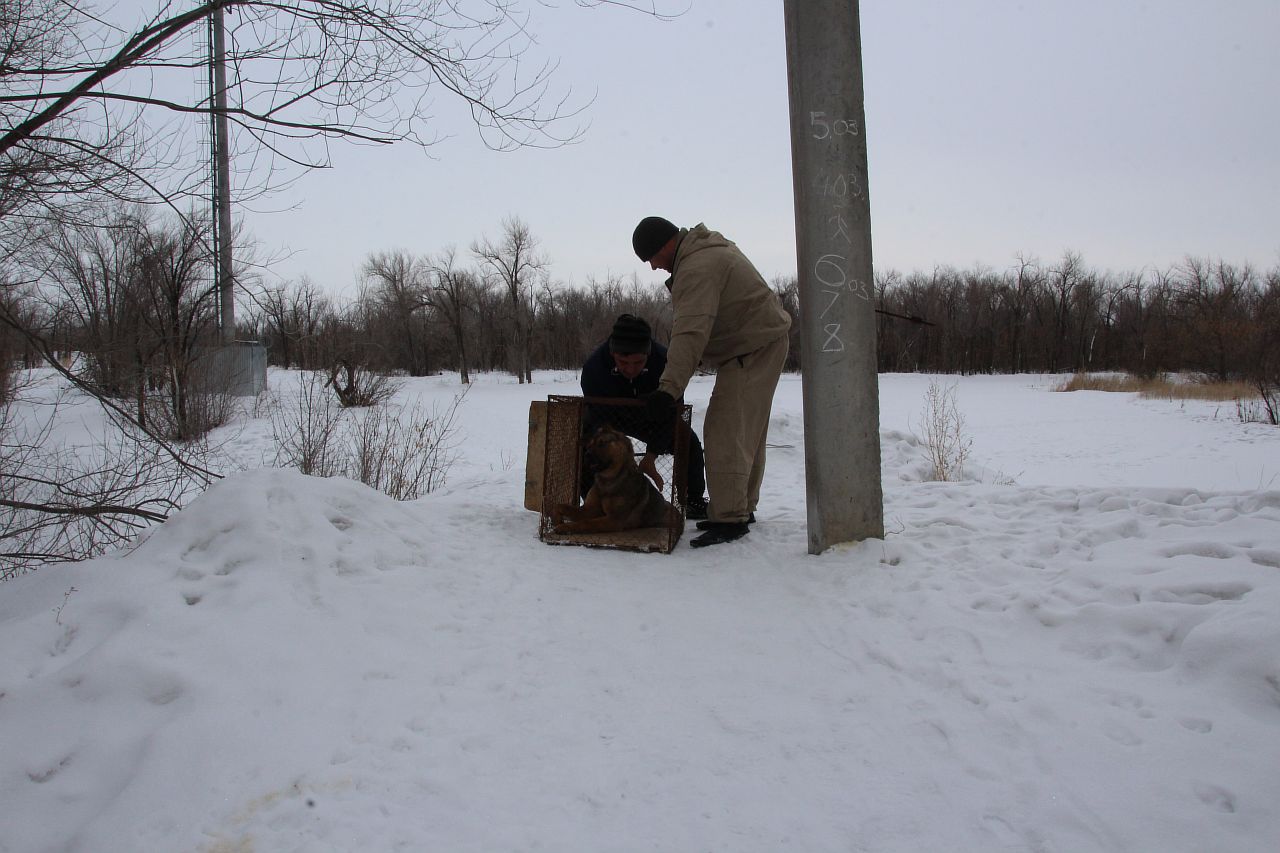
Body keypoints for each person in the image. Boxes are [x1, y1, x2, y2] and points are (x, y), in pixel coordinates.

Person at [631, 216, 791, 548]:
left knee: (725, 428)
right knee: (746, 430)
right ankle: (738, 508)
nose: (652, 268)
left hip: (753, 346)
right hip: (760, 342)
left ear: (663, 246)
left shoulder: (697, 268)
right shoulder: (704, 251)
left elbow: (690, 333)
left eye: (650, 259)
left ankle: (730, 518)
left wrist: (668, 389)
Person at [580, 313, 709, 519]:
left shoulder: (666, 362)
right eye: (623, 362)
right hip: (608, 417)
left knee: (688, 441)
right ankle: (593, 502)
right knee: (583, 443)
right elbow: (597, 418)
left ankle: (694, 500)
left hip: (651, 419)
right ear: (613, 353)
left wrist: (651, 456)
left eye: (638, 362)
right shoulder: (594, 368)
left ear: (648, 354)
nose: (630, 369)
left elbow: (672, 414)